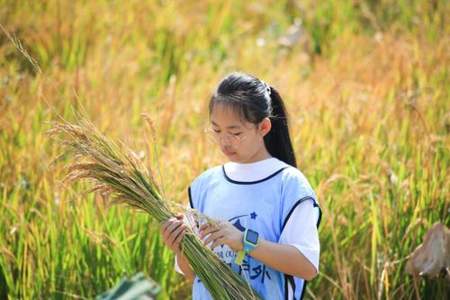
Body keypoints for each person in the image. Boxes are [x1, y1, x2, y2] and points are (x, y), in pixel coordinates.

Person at [160, 72, 322, 299]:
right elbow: (190, 272)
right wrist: (179, 246)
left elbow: (307, 265)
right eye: (216, 130)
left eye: (235, 132)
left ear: (263, 127)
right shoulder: (204, 186)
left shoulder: (289, 184)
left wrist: (244, 241)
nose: (224, 142)